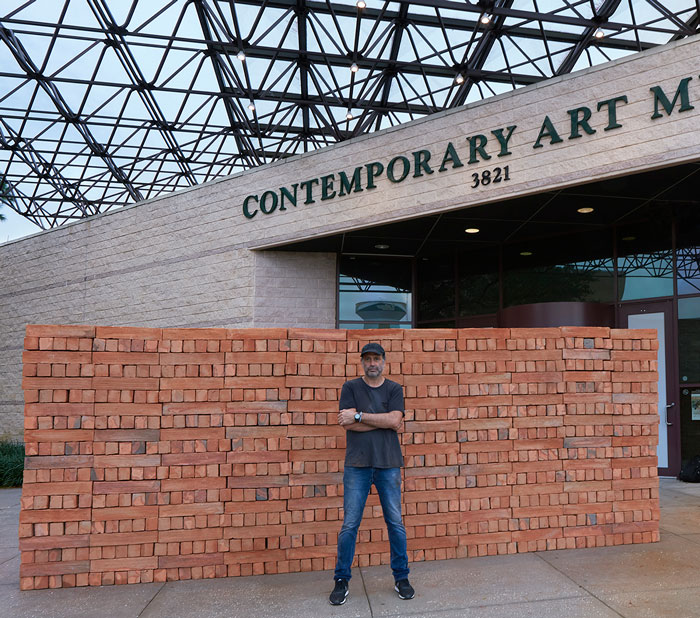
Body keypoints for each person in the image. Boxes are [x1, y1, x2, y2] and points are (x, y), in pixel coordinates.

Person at [329, 342, 414, 605]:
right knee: (350, 525)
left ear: (384, 361)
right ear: (362, 363)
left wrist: (360, 417)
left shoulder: (394, 388)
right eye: (367, 359)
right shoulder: (350, 387)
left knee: (395, 524)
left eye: (376, 358)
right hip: (358, 465)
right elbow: (347, 424)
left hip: (388, 463)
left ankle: (401, 577)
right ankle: (341, 580)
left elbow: (395, 421)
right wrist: (381, 421)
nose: (372, 363)